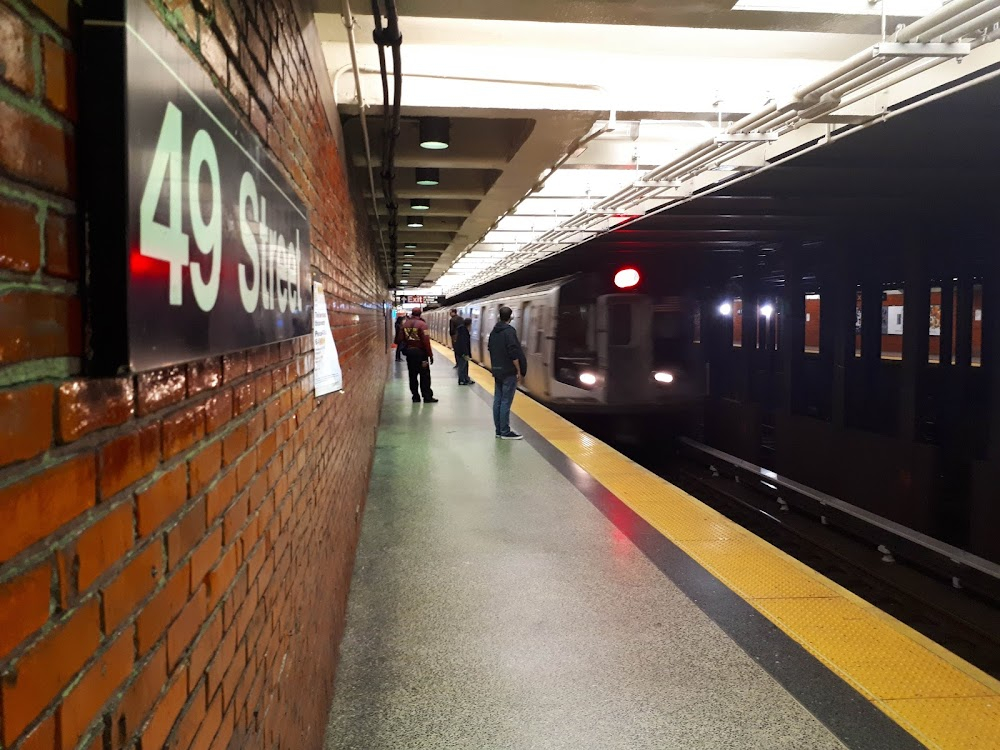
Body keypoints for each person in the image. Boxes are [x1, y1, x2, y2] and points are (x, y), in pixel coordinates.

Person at [487, 306, 527, 440]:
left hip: (497, 370)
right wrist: (519, 370)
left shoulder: (494, 331)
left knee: (497, 400)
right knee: (506, 401)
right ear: (511, 317)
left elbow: (490, 348)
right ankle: (505, 431)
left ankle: (498, 430)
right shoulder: (509, 331)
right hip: (509, 371)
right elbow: (513, 352)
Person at [400, 308, 438, 403]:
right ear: (420, 314)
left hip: (410, 354)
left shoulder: (405, 324)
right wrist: (430, 354)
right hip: (421, 355)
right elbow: (426, 341)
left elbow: (400, 338)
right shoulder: (423, 325)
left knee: (412, 375)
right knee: (424, 375)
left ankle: (415, 396)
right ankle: (427, 397)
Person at [455, 317, 473, 385]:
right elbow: (464, 343)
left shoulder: (462, 330)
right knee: (462, 367)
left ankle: (466, 379)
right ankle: (462, 380)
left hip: (463, 352)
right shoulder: (463, 332)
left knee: (465, 366)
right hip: (463, 353)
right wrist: (465, 354)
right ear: (469, 324)